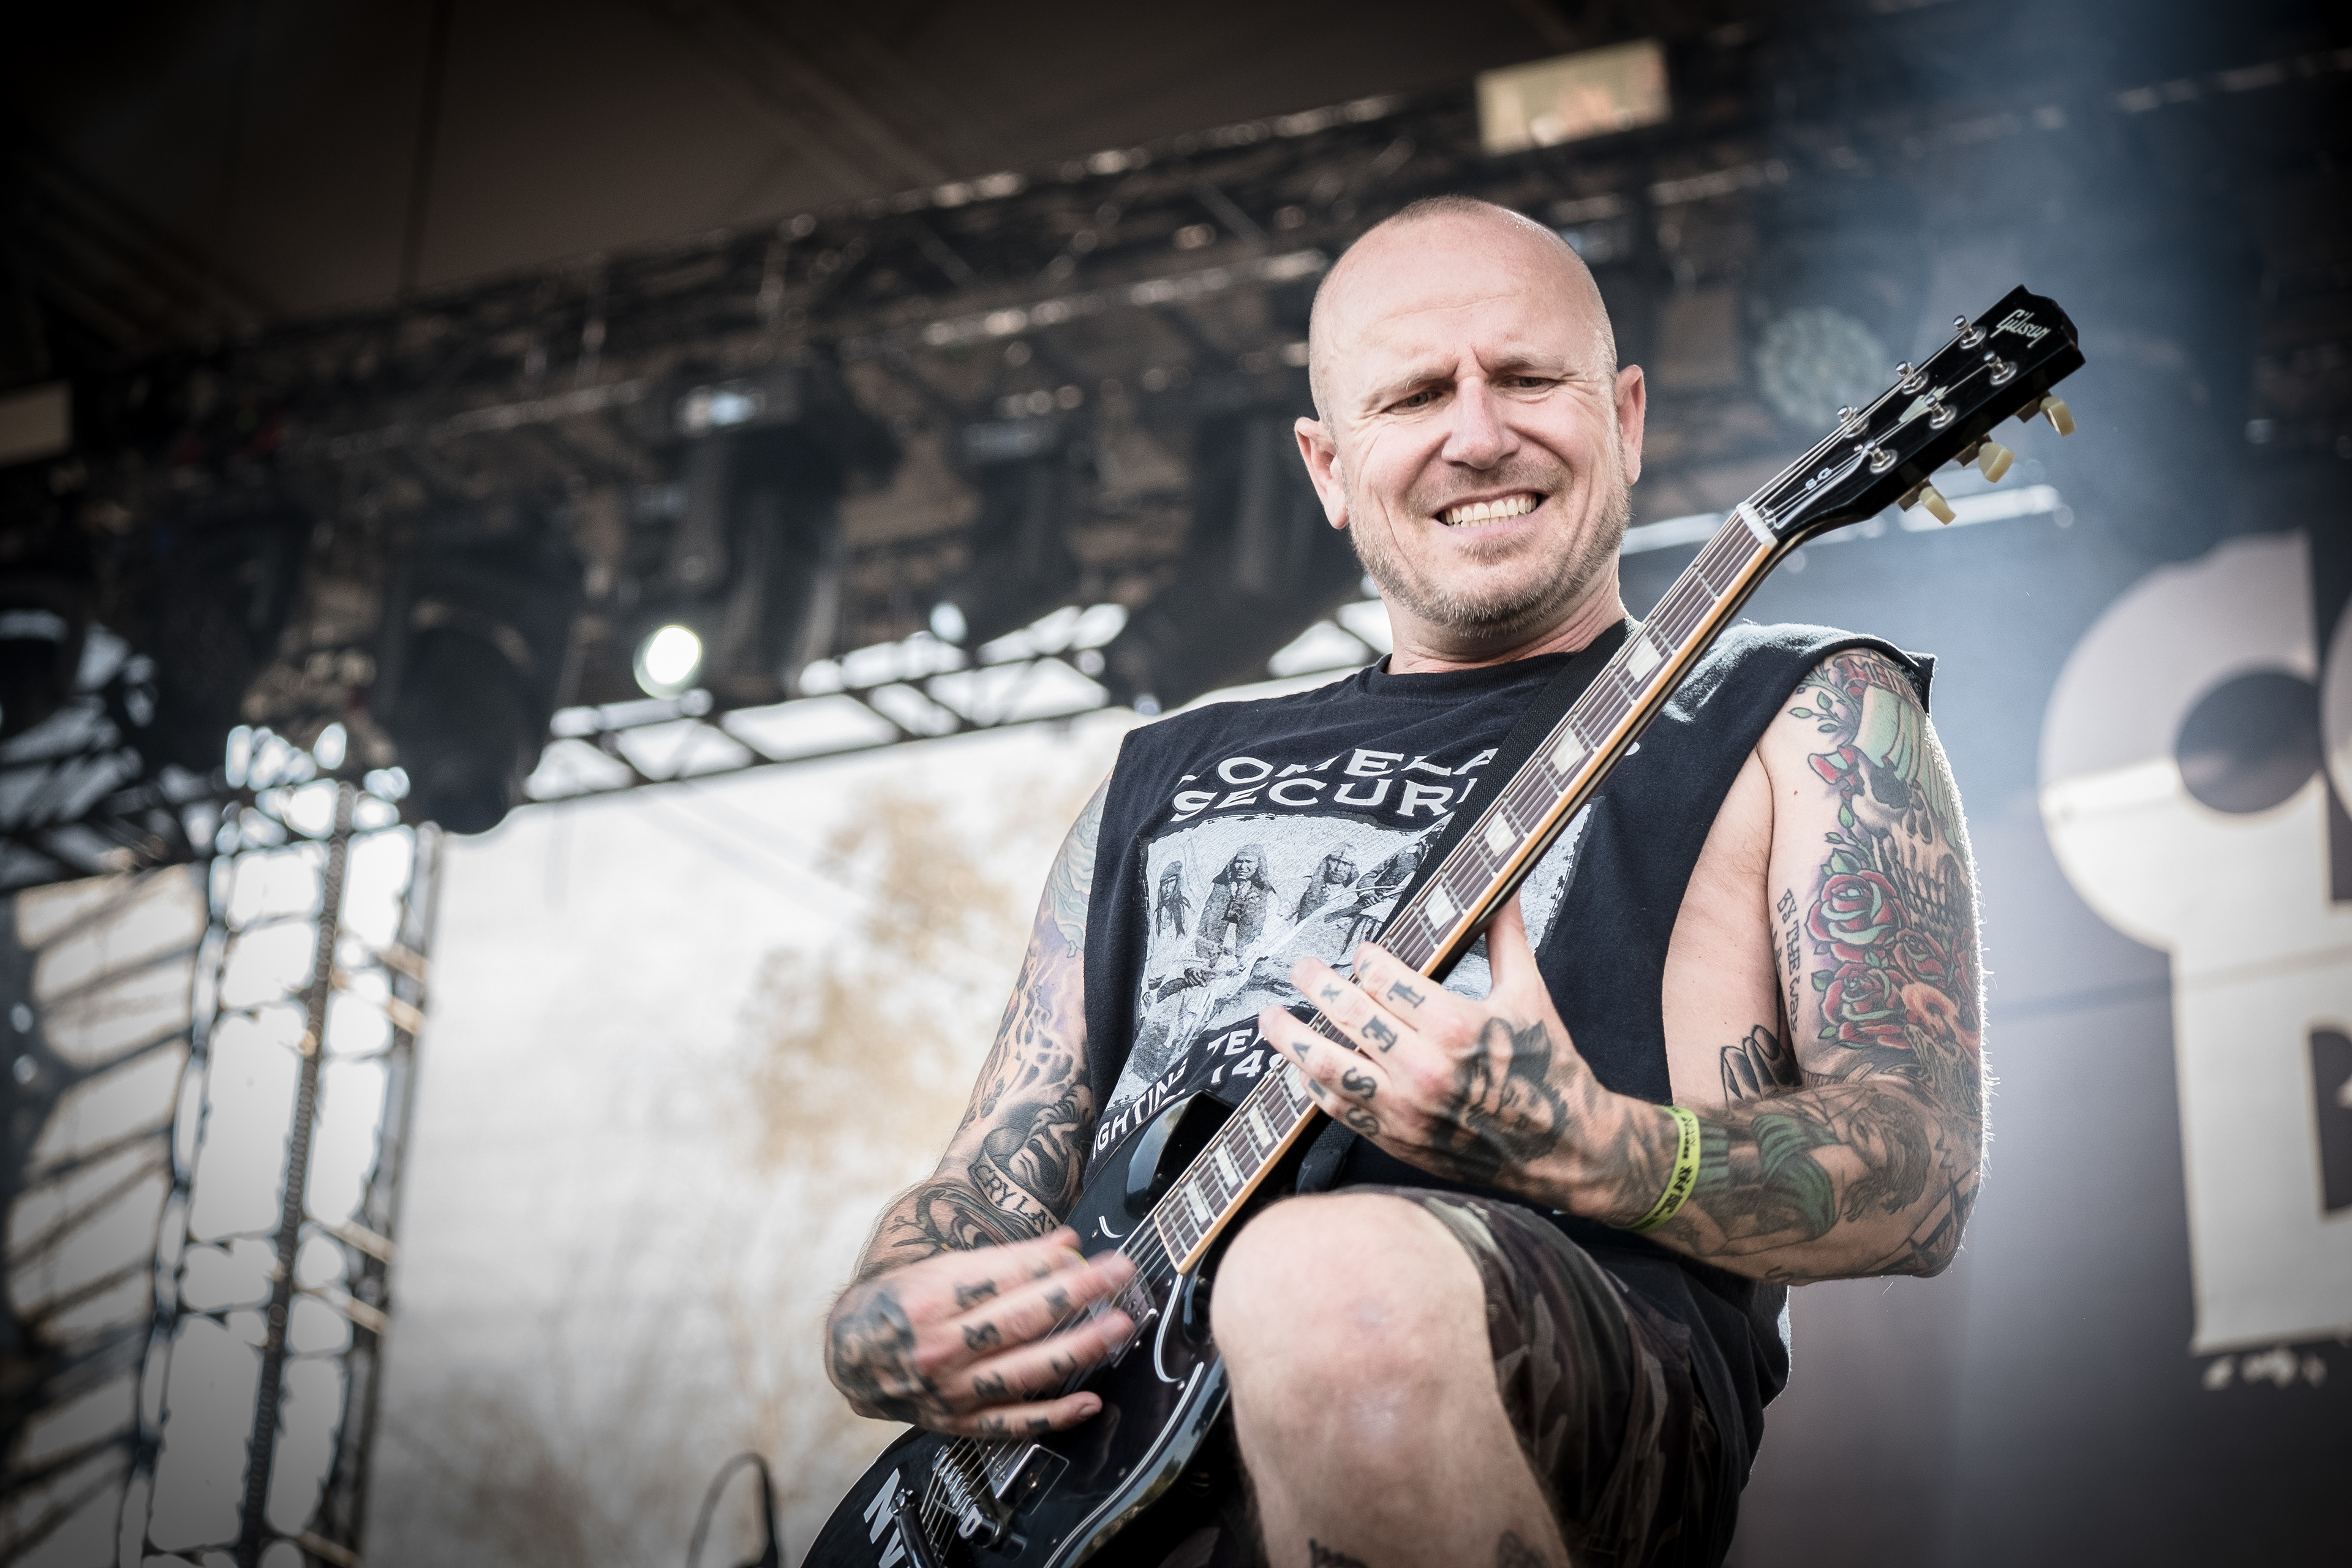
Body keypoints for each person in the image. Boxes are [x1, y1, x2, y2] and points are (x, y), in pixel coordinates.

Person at [822, 195, 1984, 1568]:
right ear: (1327, 466)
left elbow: (1922, 1169)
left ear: (1625, 417)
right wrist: (883, 1318)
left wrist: (1595, 1146)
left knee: (1326, 1279)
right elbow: (989, 1178)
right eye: (1417, 394)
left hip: (1566, 1388)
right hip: (1070, 1468)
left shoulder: (1803, 709)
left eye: (1528, 378)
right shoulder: (1164, 773)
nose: (1478, 433)